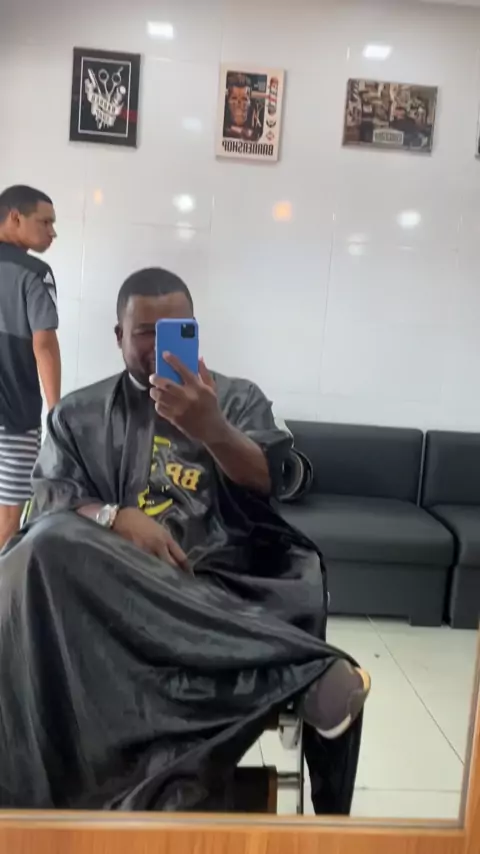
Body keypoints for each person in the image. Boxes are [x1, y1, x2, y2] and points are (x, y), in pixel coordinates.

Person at [0, 267, 369, 813]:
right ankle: (298, 668)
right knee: (45, 545)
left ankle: (286, 665)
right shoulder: (77, 414)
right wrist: (113, 519)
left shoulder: (236, 400)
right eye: (144, 332)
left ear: (195, 330)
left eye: (176, 330)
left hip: (218, 582)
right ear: (118, 336)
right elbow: (51, 499)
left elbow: (272, 480)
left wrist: (212, 427)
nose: (158, 345)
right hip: (111, 605)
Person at [0, 184, 61, 549]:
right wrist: (56, 413)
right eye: (45, 222)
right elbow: (44, 346)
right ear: (15, 217)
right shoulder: (35, 272)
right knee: (9, 519)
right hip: (15, 418)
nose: (53, 232)